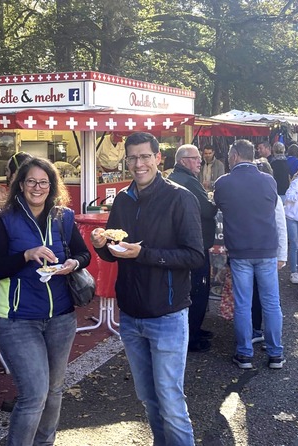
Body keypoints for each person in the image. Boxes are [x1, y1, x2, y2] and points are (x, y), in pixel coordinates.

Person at [90, 132, 203, 445]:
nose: (139, 163)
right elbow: (115, 249)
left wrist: (145, 253)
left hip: (167, 314)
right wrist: (102, 245)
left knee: (170, 401)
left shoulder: (180, 198)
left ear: (158, 159)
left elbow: (195, 256)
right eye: (133, 157)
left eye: (145, 156)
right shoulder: (124, 199)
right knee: (149, 399)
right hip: (131, 316)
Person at [0, 156, 91, 446]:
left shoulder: (64, 217)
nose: (37, 187)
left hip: (61, 317)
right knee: (33, 395)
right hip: (19, 319)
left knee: (54, 391)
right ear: (20, 184)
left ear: (52, 185)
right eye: (30, 181)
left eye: (44, 182)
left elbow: (85, 254)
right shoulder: (5, 221)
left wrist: (73, 263)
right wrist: (26, 255)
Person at [214, 139, 286, 370]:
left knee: (243, 304)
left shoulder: (223, 183)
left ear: (234, 156)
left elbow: (218, 208)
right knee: (272, 304)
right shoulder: (269, 181)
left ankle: (244, 353)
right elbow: (275, 212)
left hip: (240, 251)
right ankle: (276, 354)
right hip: (266, 249)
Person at [168, 144, 218, 353]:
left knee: (188, 289)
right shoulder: (188, 181)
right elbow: (207, 210)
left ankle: (193, 329)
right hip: (195, 245)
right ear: (183, 161)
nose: (200, 161)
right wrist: (214, 201)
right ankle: (192, 336)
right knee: (198, 290)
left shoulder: (173, 178)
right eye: (195, 158)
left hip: (180, 243)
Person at [250, 159, 287, 348]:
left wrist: (282, 255)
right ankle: (260, 331)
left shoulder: (273, 197)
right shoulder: (268, 193)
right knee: (261, 295)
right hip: (263, 252)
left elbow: (280, 225)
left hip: (265, 252)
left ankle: (270, 336)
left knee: (269, 297)